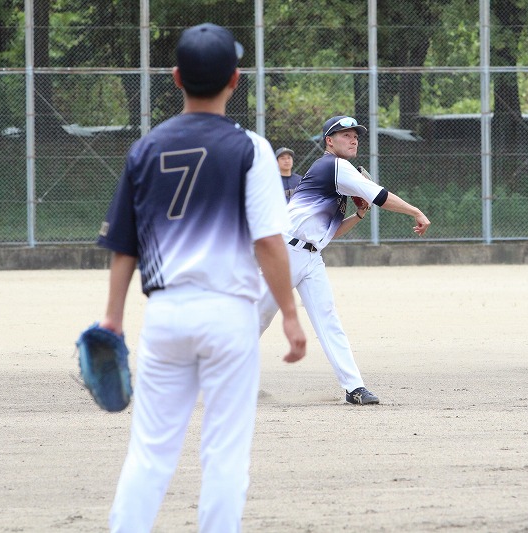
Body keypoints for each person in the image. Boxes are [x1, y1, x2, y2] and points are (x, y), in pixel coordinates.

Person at [96, 23, 306, 533]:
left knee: (150, 452)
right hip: (229, 315)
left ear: (175, 78)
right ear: (235, 79)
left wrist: (113, 319)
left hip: (166, 315)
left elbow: (124, 245)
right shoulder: (251, 148)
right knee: (225, 453)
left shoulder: (146, 148)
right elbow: (268, 242)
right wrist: (290, 314)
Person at [257, 115, 430, 405]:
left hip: (311, 257)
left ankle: (354, 387)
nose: (353, 140)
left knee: (329, 320)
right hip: (285, 253)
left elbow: (330, 232)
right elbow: (380, 196)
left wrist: (359, 214)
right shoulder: (334, 166)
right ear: (329, 141)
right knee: (256, 320)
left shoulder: (336, 181)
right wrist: (415, 212)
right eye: (345, 135)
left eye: (355, 136)